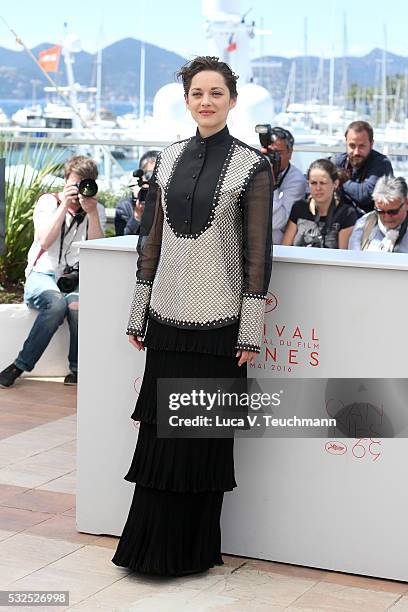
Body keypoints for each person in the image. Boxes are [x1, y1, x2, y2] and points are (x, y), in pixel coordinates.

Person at [112, 56, 272, 576]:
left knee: (200, 444)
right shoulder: (168, 159)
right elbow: (150, 242)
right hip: (165, 324)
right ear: (186, 100)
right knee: (159, 440)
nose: (206, 100)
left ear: (232, 99)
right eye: (198, 92)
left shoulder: (254, 165)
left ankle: (191, 553)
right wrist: (139, 314)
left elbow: (257, 257)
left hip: (222, 331)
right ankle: (147, 551)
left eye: (216, 92)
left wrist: (251, 330)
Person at [0, 156, 106, 388]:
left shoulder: (95, 209)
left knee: (77, 307)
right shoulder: (48, 202)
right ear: (66, 181)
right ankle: (20, 365)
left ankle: (77, 370)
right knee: (57, 304)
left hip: (73, 279)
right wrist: (64, 207)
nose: (79, 192)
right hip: (42, 275)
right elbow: (45, 240)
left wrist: (93, 213)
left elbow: (98, 251)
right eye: (74, 185)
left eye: (84, 185)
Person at [282, 159, 358, 249]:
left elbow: (343, 256)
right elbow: (285, 247)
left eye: (323, 183)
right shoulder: (299, 208)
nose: (318, 188)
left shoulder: (346, 213)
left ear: (335, 184)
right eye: (313, 183)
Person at [331, 120, 393, 214]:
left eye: (361, 146)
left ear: (371, 144)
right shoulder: (339, 161)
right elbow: (313, 175)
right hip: (342, 220)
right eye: (352, 146)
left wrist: (342, 179)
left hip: (371, 222)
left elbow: (364, 195)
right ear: (346, 143)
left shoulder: (381, 164)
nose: (356, 152)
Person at [261, 127, 307, 244]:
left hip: (278, 241)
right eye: (271, 152)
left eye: (278, 153)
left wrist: (272, 184)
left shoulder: (296, 180)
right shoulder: (257, 170)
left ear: (290, 153)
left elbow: (277, 222)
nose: (274, 157)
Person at [349, 176, 408, 252]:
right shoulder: (363, 225)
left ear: (406, 204)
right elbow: (354, 260)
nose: (387, 217)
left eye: (393, 212)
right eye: (380, 211)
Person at [114, 151, 159, 236]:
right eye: (149, 174)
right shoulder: (126, 206)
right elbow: (121, 239)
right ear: (141, 176)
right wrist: (137, 217)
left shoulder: (168, 202)